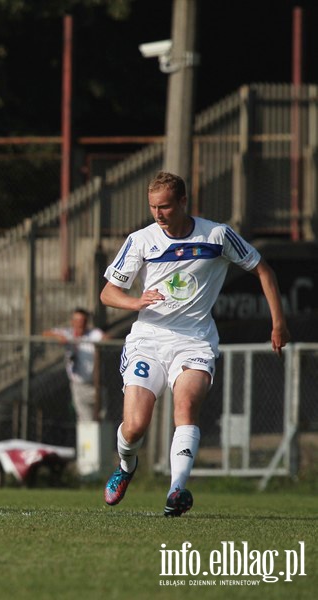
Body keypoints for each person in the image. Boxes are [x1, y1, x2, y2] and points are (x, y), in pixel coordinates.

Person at [100, 171, 289, 517]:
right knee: (135, 426)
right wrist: (135, 302)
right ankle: (126, 467)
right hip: (148, 341)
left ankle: (176, 491)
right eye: (153, 207)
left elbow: (264, 271)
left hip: (195, 342)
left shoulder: (217, 235)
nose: (159, 214)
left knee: (185, 407)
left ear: (184, 202)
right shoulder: (141, 240)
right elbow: (108, 292)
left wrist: (278, 323)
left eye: (166, 206)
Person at [43, 308, 107, 423]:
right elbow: (46, 334)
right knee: (85, 421)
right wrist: (58, 337)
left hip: (97, 385)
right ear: (72, 321)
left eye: (82, 321)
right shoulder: (67, 333)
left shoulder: (93, 334)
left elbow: (106, 338)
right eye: (77, 320)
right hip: (79, 385)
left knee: (102, 420)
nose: (79, 324)